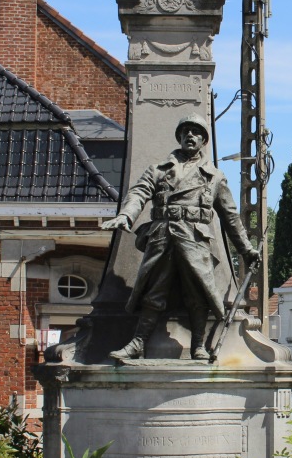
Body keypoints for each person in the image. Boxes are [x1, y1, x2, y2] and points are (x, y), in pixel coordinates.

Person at [101, 113, 260, 362]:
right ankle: (137, 343)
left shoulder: (215, 177)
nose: (190, 135)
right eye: (185, 131)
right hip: (163, 238)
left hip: (195, 240)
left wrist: (246, 249)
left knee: (197, 294)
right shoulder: (158, 170)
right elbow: (139, 193)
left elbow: (230, 217)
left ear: (204, 140)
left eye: (196, 132)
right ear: (179, 136)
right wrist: (126, 216)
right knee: (154, 292)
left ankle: (198, 344)